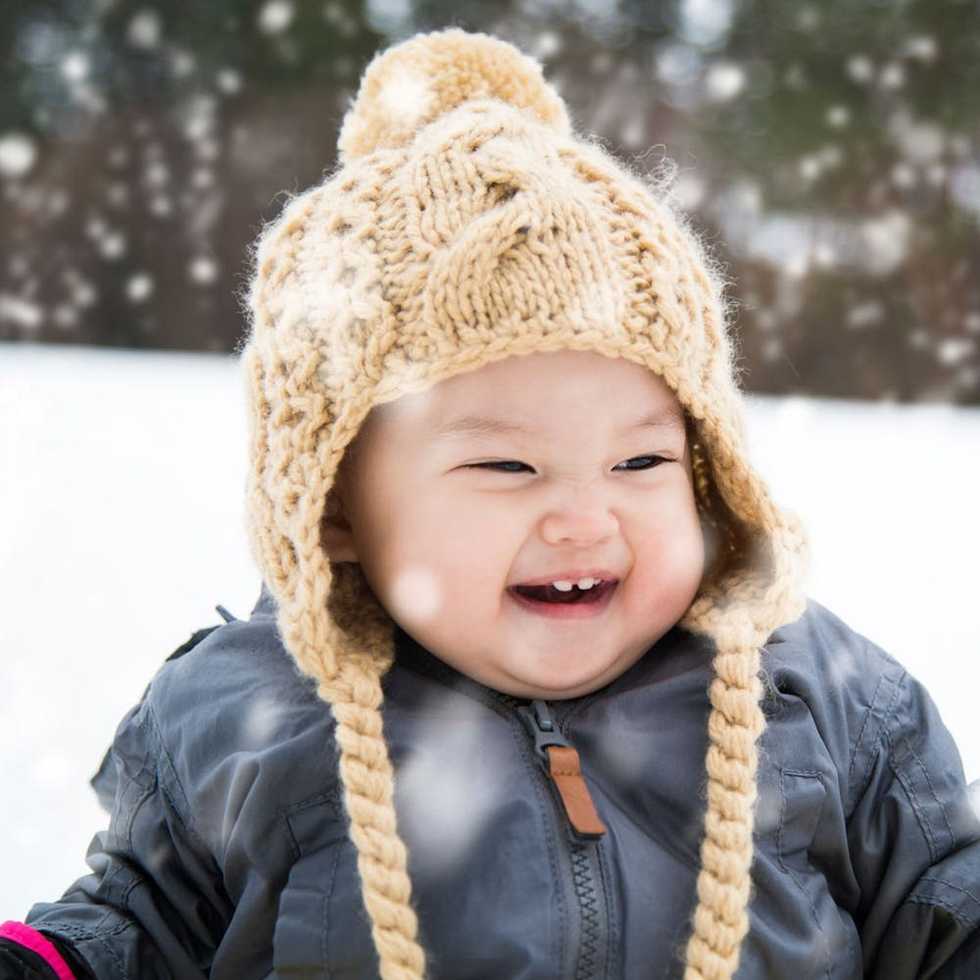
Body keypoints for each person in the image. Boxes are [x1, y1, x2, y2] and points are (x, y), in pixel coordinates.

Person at [2, 27, 978, 980]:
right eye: (507, 467)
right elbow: (140, 922)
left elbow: (944, 902)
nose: (583, 517)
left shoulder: (820, 699)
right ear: (334, 503)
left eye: (640, 460)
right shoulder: (249, 715)